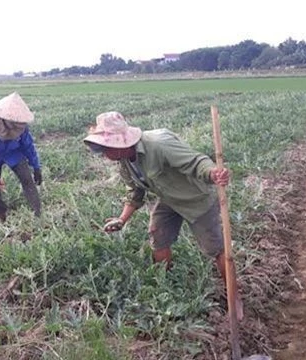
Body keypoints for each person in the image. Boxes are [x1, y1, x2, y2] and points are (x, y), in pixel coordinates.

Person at [83, 111, 243, 320]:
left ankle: (235, 298)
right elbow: (135, 192)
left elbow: (196, 161)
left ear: (120, 142)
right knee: (158, 237)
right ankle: (165, 290)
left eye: (106, 148)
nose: (104, 153)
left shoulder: (158, 144)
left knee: (215, 248)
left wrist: (213, 173)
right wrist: (122, 219)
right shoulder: (124, 161)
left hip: (196, 200)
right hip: (169, 199)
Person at [0, 92, 42, 222]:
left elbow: (28, 147)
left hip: (13, 153)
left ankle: (38, 214)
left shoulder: (21, 127)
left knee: (27, 180)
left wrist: (36, 166)